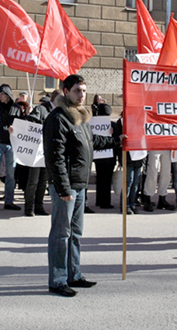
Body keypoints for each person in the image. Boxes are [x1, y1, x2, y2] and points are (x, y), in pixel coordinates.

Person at [44, 74, 122, 297]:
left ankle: (74, 274)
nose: (82, 95)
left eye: (85, 91)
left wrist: (117, 141)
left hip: (80, 184)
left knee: (75, 233)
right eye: (78, 90)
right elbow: (55, 157)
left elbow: (93, 141)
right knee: (61, 234)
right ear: (66, 91)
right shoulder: (58, 118)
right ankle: (57, 280)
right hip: (66, 187)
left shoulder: (81, 117)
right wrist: (63, 188)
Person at [23, 89, 61, 217]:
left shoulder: (59, 112)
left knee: (43, 181)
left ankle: (39, 206)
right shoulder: (42, 109)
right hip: (37, 150)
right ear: (53, 99)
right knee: (33, 180)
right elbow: (31, 122)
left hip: (49, 151)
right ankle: (29, 207)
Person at [92, 102, 116, 209]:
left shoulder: (93, 122)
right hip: (108, 156)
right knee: (106, 180)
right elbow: (117, 141)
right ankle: (105, 202)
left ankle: (99, 200)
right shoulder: (113, 124)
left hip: (99, 156)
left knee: (100, 179)